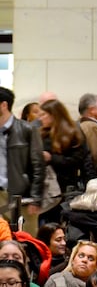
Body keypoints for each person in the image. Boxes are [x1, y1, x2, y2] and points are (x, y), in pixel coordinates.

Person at [38, 99, 96, 220]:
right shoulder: (41, 133)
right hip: (45, 188)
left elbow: (78, 160)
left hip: (66, 188)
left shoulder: (72, 133)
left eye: (43, 115)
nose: (40, 118)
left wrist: (51, 158)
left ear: (53, 115)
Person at [0, 87, 45, 236]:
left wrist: (36, 198)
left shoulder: (27, 129)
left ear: (4, 105)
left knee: (27, 242)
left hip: (22, 195)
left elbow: (38, 165)